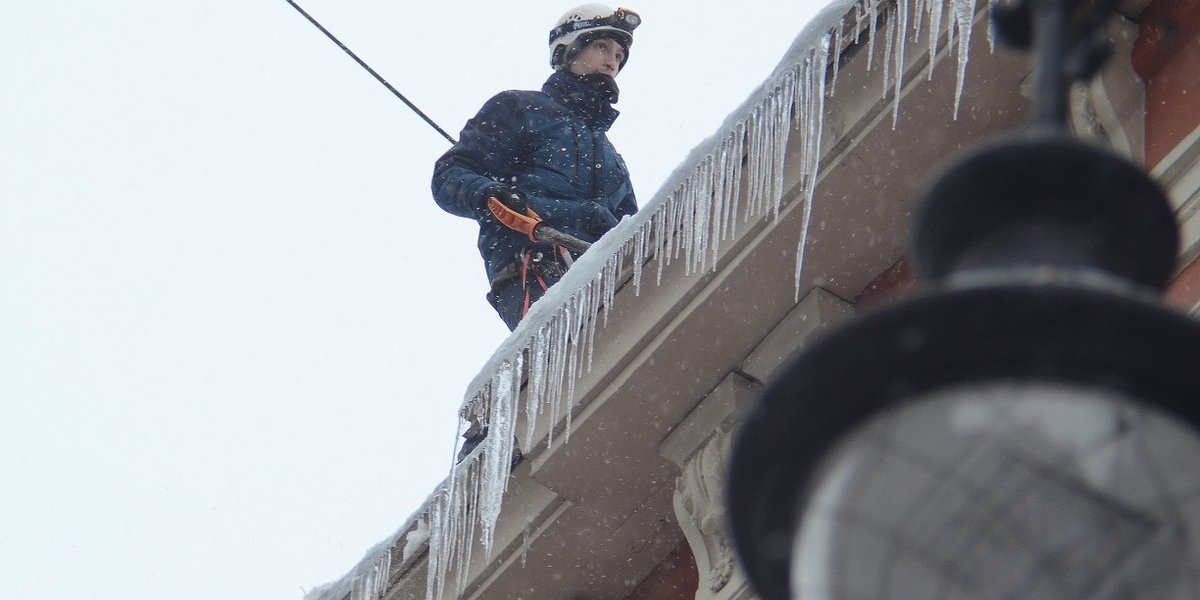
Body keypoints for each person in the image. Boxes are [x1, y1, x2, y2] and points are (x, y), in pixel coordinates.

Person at [432, 4, 641, 331]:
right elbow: (450, 175)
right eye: (602, 47)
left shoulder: (612, 157)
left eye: (619, 54)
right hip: (535, 265)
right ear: (568, 50)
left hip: (610, 278)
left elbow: (634, 230)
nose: (612, 61)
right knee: (573, 355)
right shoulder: (521, 108)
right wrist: (491, 195)